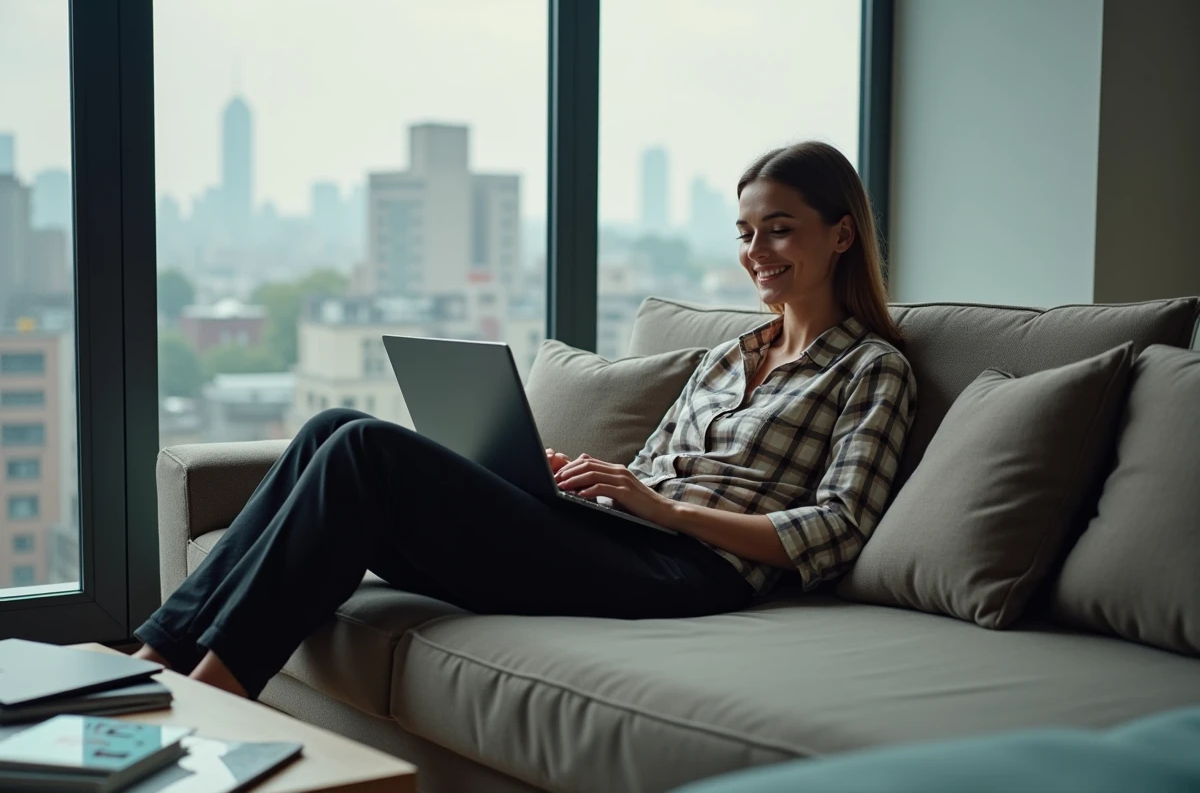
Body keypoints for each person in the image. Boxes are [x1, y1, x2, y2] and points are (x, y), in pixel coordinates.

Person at [134, 141, 917, 699]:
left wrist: (668, 511)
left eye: (779, 228)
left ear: (841, 233)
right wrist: (574, 481)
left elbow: (840, 528)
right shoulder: (725, 357)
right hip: (620, 536)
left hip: (693, 574)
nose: (756, 251)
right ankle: (150, 665)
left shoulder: (871, 369)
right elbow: (647, 472)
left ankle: (211, 698)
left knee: (366, 449)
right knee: (329, 427)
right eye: (745, 233)